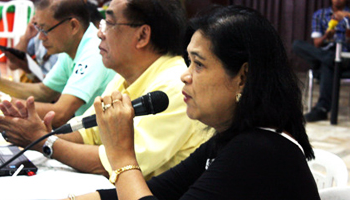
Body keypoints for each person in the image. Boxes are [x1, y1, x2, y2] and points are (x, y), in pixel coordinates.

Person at [75, 5, 321, 200]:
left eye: (199, 64)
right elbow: (158, 191)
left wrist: (122, 157)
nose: (185, 74)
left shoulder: (261, 151)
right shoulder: (228, 140)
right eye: (188, 62)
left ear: (243, 77)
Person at [0, 0, 208, 179]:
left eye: (110, 24)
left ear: (142, 36)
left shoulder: (175, 87)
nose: (99, 34)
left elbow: (117, 164)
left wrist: (45, 142)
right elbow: (86, 134)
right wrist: (37, 133)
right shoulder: (125, 78)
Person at [0, 0, 115, 128]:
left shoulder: (94, 51)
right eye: (38, 29)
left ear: (73, 26)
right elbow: (44, 92)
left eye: (44, 30)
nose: (40, 37)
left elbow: (60, 114)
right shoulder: (71, 48)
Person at [292, 0, 350, 122]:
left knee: (326, 64)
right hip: (323, 54)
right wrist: (326, 36)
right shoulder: (320, 14)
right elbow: (317, 43)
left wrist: (346, 16)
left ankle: (322, 109)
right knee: (297, 45)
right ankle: (330, 60)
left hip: (345, 57)